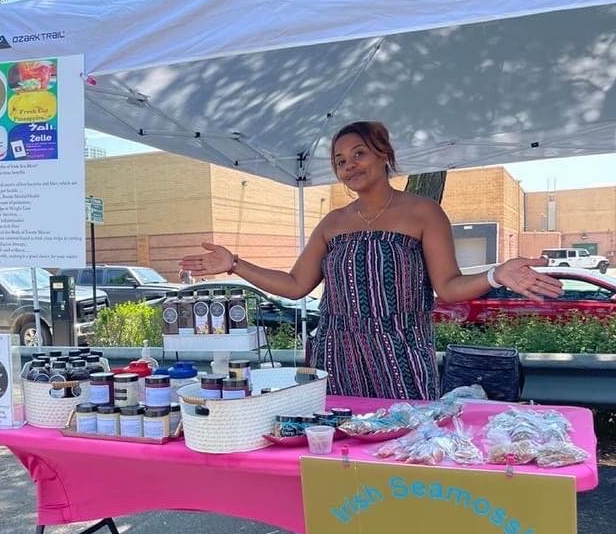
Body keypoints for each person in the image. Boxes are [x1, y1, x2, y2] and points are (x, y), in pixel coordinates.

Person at [182, 121, 562, 400]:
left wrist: (496, 274)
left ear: (384, 154)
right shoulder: (332, 223)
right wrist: (235, 264)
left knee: (405, 453)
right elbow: (296, 286)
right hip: (337, 354)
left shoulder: (423, 212)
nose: (350, 165)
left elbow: (448, 287)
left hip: (400, 352)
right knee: (344, 454)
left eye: (359, 153)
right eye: (340, 161)